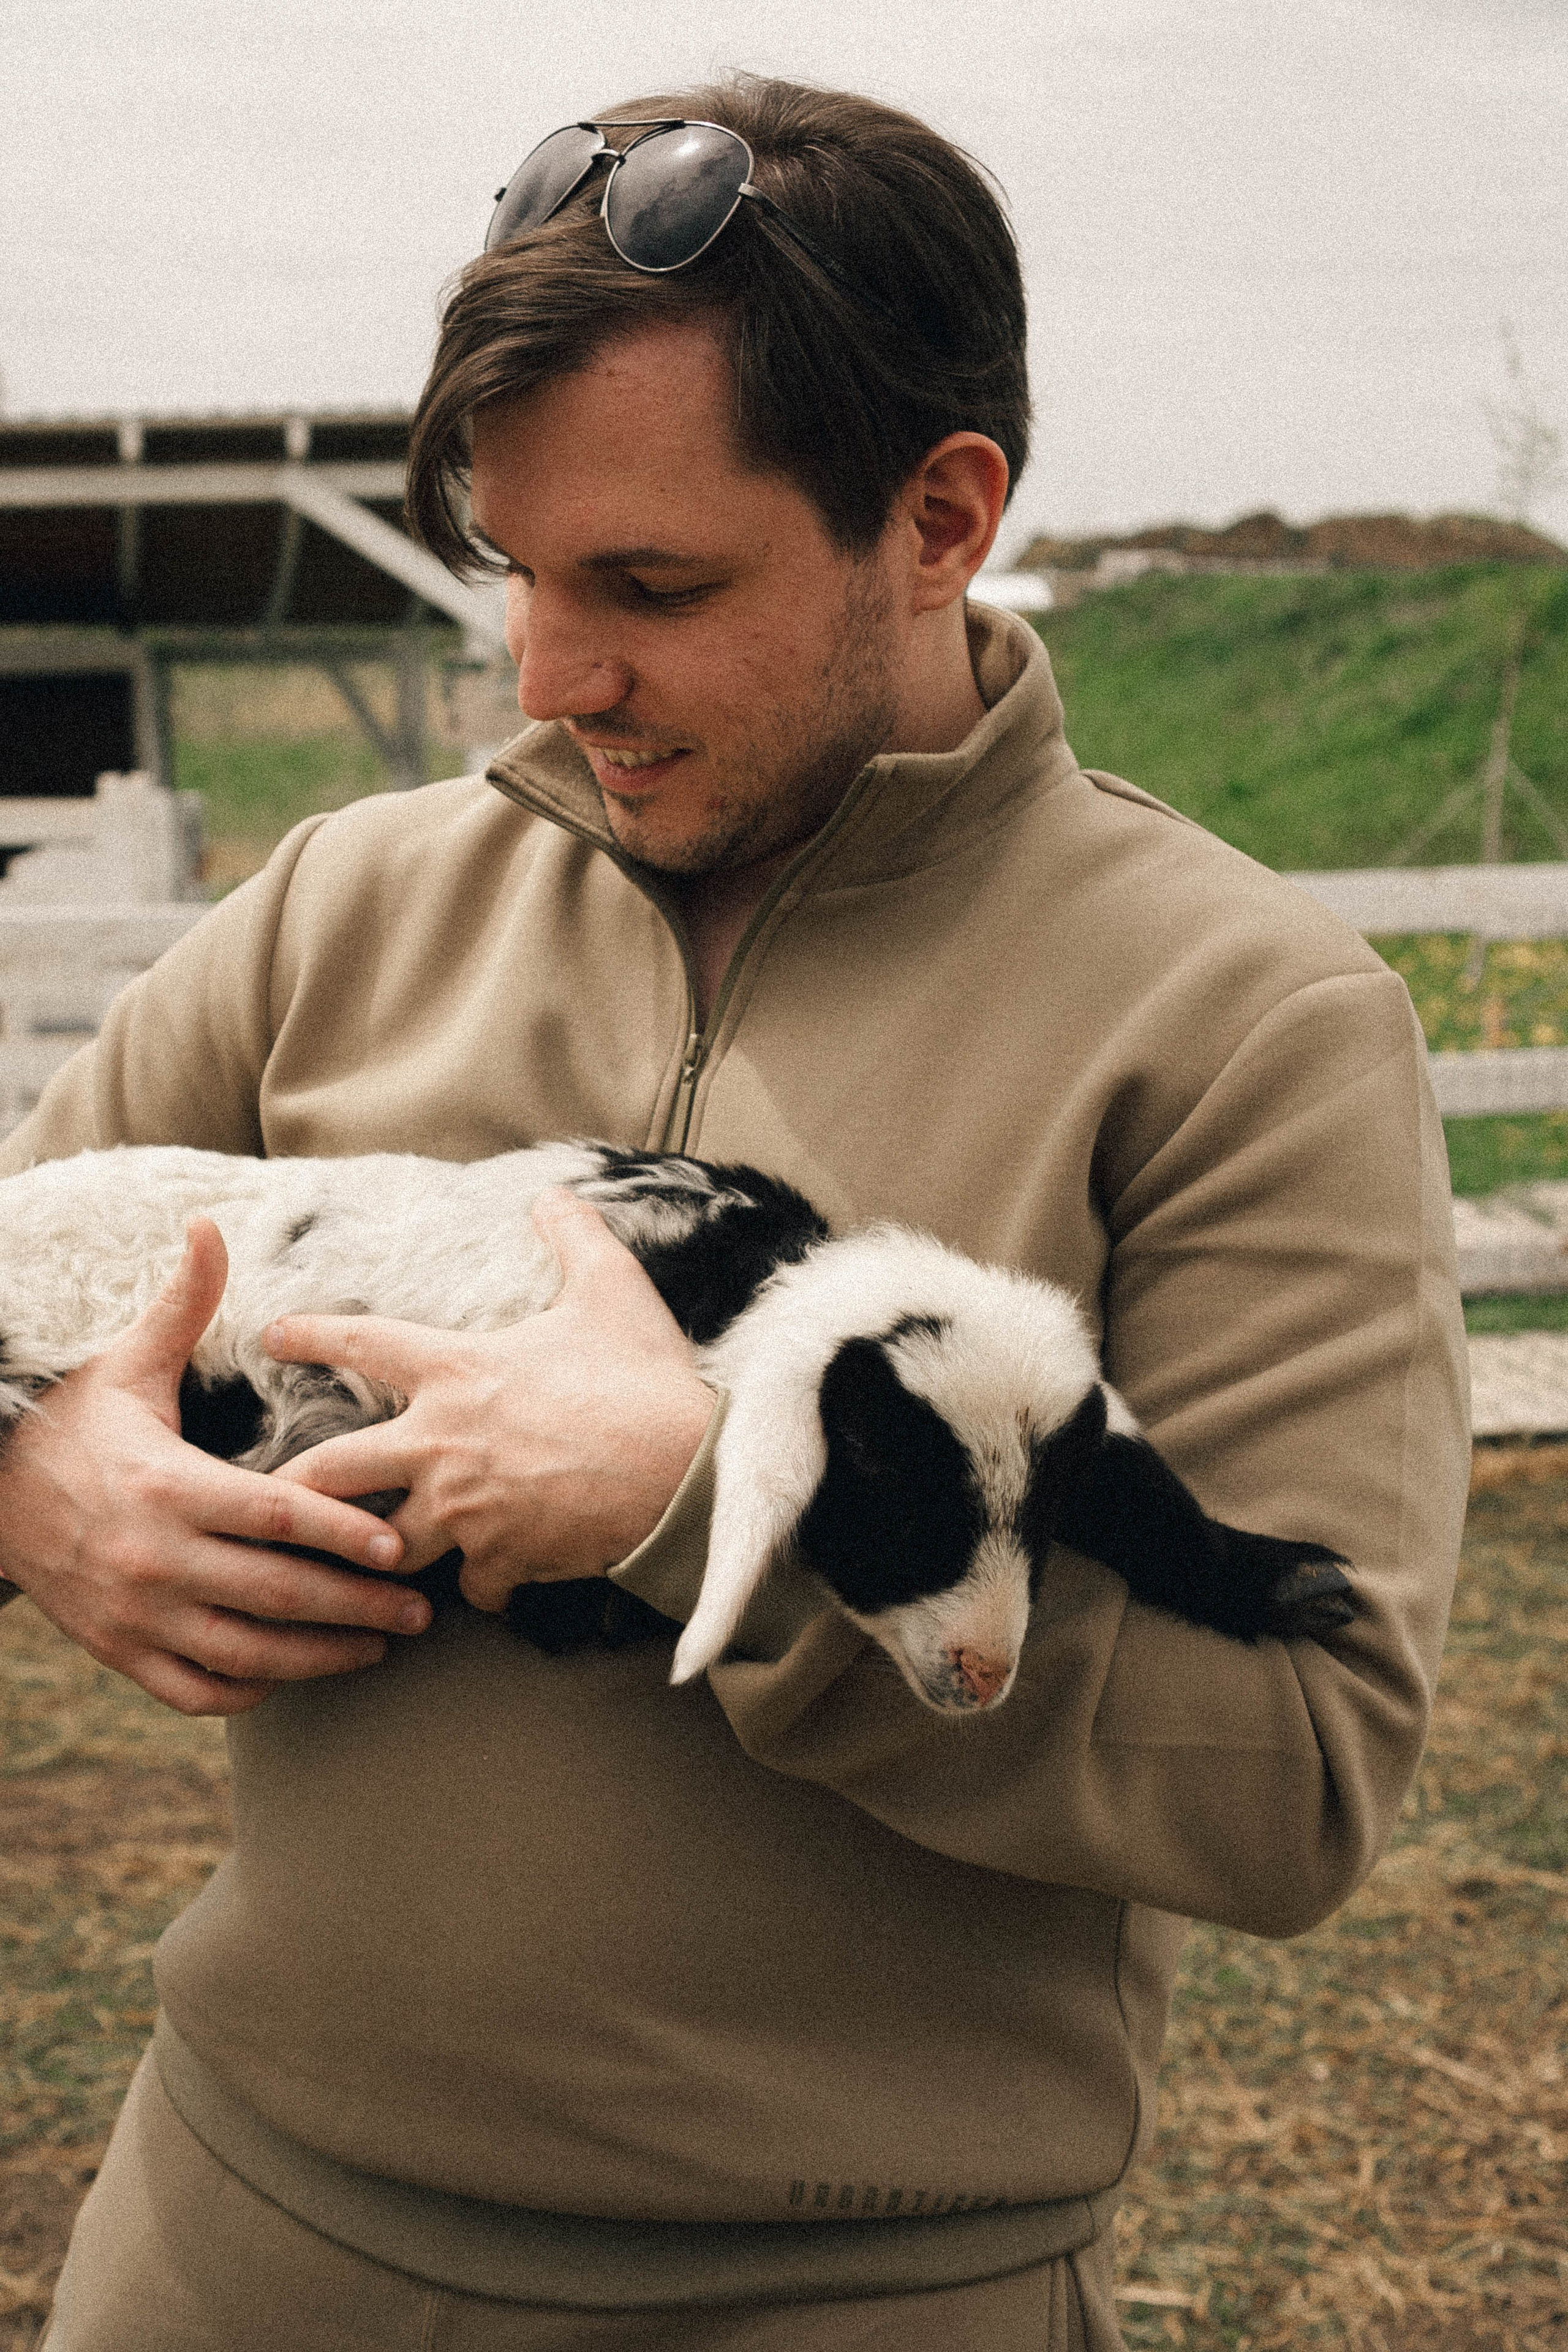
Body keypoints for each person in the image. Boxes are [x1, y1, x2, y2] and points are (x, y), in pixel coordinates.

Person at [0, 76, 1466, 2352]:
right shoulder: (340, 907)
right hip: (229, 2240)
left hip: (858, 2296)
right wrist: (36, 1481)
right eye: (518, 576)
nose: (552, 677)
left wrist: (705, 1517)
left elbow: (1298, 1779)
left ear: (944, 514)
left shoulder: (1250, 1023)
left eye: (652, 587)